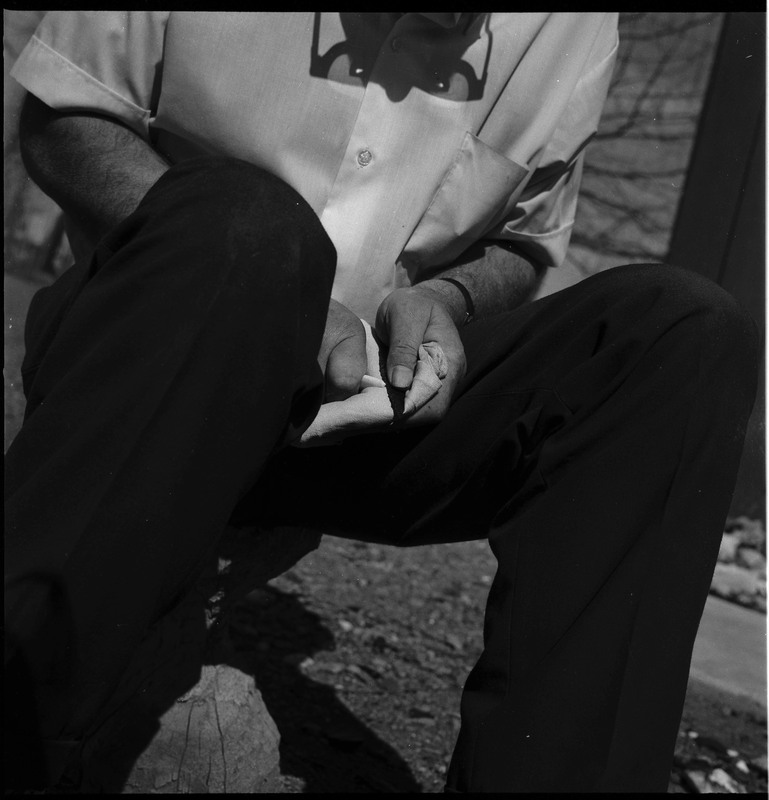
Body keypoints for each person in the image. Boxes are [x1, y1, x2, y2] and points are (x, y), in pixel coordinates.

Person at [4, 11, 758, 793]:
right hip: (156, 367)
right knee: (252, 225)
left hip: (361, 412)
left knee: (681, 335)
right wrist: (275, 291)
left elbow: (524, 244)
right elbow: (64, 119)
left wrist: (450, 296)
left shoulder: (571, 26)